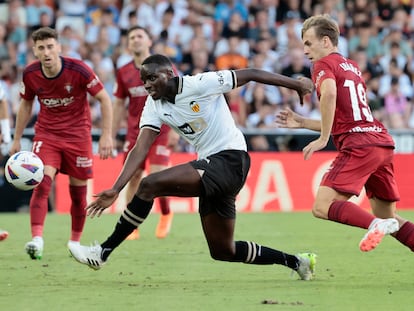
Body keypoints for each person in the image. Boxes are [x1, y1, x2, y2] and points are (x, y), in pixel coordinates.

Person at [68, 54, 317, 281]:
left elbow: (250, 73)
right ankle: (298, 262)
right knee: (223, 250)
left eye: (153, 78)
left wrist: (296, 84)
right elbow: (140, 148)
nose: (147, 84)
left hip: (231, 159)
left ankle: (103, 252)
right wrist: (115, 188)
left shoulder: (200, 84)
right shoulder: (154, 105)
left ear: (170, 74)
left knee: (148, 185)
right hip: (213, 167)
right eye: (144, 80)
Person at [276, 14, 414, 253]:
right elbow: (345, 119)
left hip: (359, 145)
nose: (305, 49)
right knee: (389, 216)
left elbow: (329, 95)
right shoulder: (352, 66)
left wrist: (321, 139)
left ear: (326, 41)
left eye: (309, 43)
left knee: (322, 206)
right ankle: (380, 223)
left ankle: (375, 225)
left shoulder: (322, 64)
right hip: (380, 142)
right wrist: (302, 122)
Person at [10, 27, 113, 260]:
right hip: (47, 135)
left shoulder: (79, 69)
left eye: (49, 46)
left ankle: (74, 242)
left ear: (59, 47)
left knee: (78, 195)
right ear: (34, 51)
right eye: (41, 48)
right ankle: (37, 239)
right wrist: (17, 139)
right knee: (42, 183)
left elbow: (105, 99)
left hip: (78, 136)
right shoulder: (30, 74)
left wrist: (106, 135)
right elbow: (26, 104)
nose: (46, 52)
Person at [113, 26, 175, 239]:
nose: (136, 40)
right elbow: (119, 104)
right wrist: (110, 134)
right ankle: (132, 225)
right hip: (134, 132)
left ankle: (166, 214)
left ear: (149, 40)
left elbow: (177, 95)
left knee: (158, 177)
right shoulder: (123, 72)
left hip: (162, 130)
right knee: (133, 176)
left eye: (140, 36)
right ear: (128, 44)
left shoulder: (163, 66)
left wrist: (177, 129)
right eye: (131, 37)